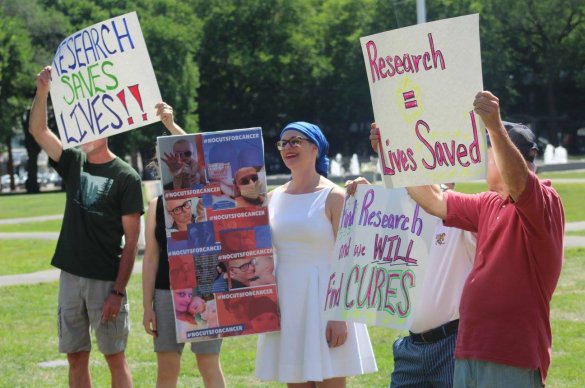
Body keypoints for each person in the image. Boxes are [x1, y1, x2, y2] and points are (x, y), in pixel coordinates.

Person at [371, 91, 564, 386]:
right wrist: (391, 150)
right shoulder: (488, 203)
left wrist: (495, 129)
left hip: (511, 355)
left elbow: (520, 181)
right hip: (470, 350)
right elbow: (434, 199)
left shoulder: (544, 201)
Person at [28, 66, 143, 387]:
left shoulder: (126, 177)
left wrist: (118, 292)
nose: (85, 132)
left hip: (105, 281)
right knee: (75, 355)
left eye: (93, 125)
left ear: (107, 128)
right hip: (70, 277)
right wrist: (42, 92)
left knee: (114, 356)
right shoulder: (73, 161)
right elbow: (39, 131)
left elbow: (132, 242)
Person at [255, 121, 377, 387]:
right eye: (283, 143)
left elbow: (350, 258)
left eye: (295, 141)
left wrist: (340, 316)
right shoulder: (272, 198)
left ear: (315, 148)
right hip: (286, 301)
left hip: (325, 300)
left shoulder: (335, 196)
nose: (288, 147)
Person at [346, 178, 476, 387]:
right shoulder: (396, 208)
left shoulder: (460, 209)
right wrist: (371, 200)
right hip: (411, 345)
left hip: (453, 343)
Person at [143, 102, 225, 388]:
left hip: (204, 288)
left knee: (208, 365)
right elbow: (151, 259)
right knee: (167, 369)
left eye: (186, 157)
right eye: (173, 157)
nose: (181, 163)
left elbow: (199, 159)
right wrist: (147, 306)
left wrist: (170, 124)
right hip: (166, 293)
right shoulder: (155, 206)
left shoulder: (207, 198)